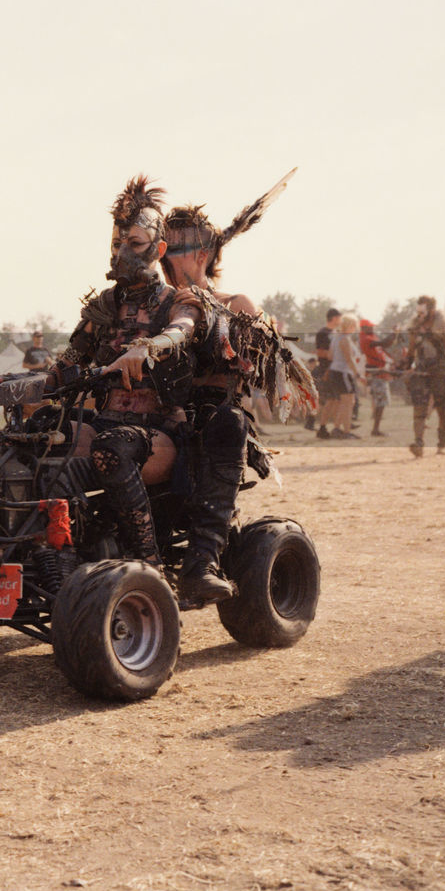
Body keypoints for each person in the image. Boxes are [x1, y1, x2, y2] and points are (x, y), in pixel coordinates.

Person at [11, 175, 227, 603]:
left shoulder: (179, 301)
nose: (122, 252)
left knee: (111, 447)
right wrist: (22, 385)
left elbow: (181, 332)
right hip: (107, 421)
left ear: (159, 249)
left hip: (162, 431)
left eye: (135, 242)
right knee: (39, 437)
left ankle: (151, 564)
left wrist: (146, 347)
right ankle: (48, 552)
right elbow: (64, 368)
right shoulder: (103, 308)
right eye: (116, 243)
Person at [159, 194, 314, 603]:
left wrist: (217, 319)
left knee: (227, 423)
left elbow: (263, 366)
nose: (165, 255)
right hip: (155, 412)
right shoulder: (154, 305)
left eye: (175, 247)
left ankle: (202, 561)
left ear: (204, 254)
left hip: (213, 413)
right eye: (162, 245)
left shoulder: (235, 304)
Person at [398, 295, 445, 457]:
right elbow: (411, 353)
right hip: (421, 371)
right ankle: (419, 442)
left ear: (432, 310)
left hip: (440, 371)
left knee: (441, 409)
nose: (420, 315)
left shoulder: (443, 327)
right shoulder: (415, 328)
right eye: (419, 311)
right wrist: (406, 367)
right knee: (419, 408)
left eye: (423, 311)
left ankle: (442, 443)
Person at [323, 314, 366, 439]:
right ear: (350, 325)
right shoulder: (345, 339)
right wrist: (357, 374)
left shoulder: (336, 338)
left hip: (335, 371)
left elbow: (330, 356)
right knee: (348, 402)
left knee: (345, 402)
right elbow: (349, 358)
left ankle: (337, 429)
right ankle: (346, 431)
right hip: (343, 372)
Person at [358, 318, 396, 437]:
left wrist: (394, 335)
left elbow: (387, 344)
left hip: (380, 372)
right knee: (380, 402)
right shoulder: (366, 339)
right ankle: (375, 430)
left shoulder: (372, 337)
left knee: (382, 402)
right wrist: (394, 333)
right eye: (370, 327)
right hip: (376, 373)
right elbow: (384, 343)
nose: (372, 328)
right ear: (364, 328)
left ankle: (376, 429)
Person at [308, 308, 341, 438]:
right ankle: (322, 427)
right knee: (330, 400)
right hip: (327, 369)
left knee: (334, 400)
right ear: (334, 318)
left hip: (335, 369)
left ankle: (326, 426)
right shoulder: (323, 333)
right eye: (339, 317)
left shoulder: (336, 332)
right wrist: (336, 356)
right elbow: (320, 352)